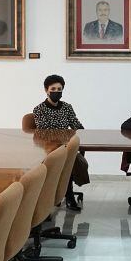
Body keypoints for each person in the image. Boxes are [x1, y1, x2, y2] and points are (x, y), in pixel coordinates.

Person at [31, 75, 88, 210]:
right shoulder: (39, 109)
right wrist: (63, 138)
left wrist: (81, 131)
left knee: (70, 160)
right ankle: (65, 196)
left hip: (65, 146)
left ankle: (67, 196)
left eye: (59, 89)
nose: (56, 92)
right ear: (46, 90)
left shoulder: (67, 107)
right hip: (47, 149)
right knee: (66, 160)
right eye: (53, 89)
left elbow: (76, 124)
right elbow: (44, 131)